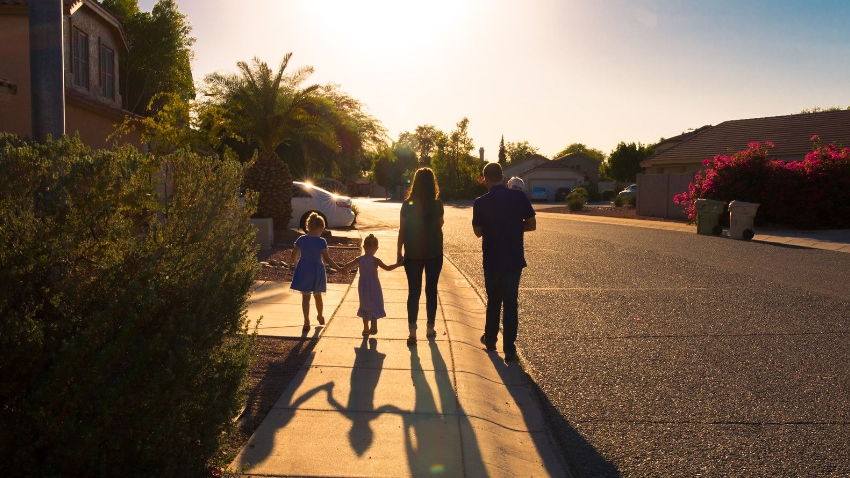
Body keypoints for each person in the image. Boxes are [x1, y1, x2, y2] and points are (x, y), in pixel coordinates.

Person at [472, 162, 536, 361]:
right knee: (510, 304)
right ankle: (509, 348)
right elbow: (532, 225)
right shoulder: (519, 197)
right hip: (513, 259)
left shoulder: (480, 202)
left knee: (493, 302)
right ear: (502, 176)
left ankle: (491, 340)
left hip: (492, 259)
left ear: (486, 179)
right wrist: (516, 228)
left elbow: (477, 232)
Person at [396, 167, 444, 346]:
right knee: (431, 290)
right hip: (434, 253)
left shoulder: (407, 204)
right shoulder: (437, 204)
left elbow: (402, 230)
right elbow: (440, 224)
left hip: (413, 253)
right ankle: (430, 329)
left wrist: (399, 252)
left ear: (415, 182)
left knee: (413, 292)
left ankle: (412, 333)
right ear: (433, 183)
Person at [339, 234, 401, 336]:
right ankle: (373, 321)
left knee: (365, 305)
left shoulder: (359, 259)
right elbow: (387, 268)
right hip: (374, 285)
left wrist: (344, 270)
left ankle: (366, 328)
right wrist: (398, 264)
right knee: (375, 303)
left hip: (363, 286)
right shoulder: (375, 260)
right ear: (376, 248)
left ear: (363, 247)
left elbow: (347, 266)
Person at [289, 212, 341, 332]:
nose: (321, 232)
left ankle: (306, 321)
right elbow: (327, 259)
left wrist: (297, 265)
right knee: (318, 296)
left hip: (304, 269)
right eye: (322, 229)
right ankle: (320, 315)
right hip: (317, 270)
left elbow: (293, 255)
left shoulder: (301, 239)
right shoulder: (321, 241)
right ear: (318, 228)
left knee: (305, 297)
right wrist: (339, 269)